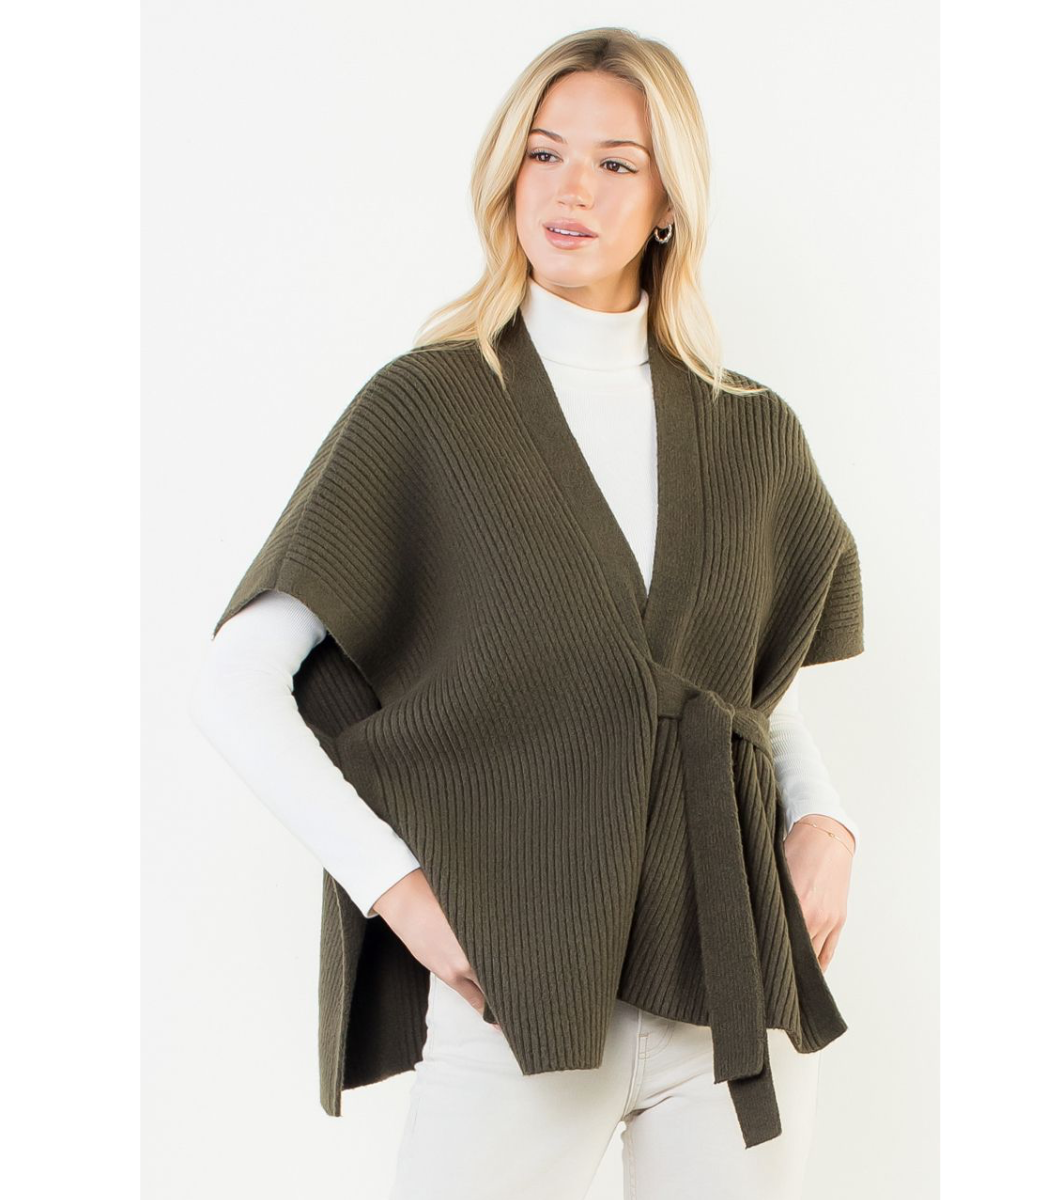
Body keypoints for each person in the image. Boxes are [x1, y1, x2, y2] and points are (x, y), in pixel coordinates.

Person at [191, 27, 865, 1200]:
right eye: (545, 153)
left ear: (668, 201)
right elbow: (236, 682)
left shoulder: (751, 427)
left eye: (616, 162)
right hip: (522, 984)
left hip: (730, 979)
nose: (570, 188)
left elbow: (743, 689)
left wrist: (828, 823)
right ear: (508, 174)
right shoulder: (428, 407)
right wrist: (404, 897)